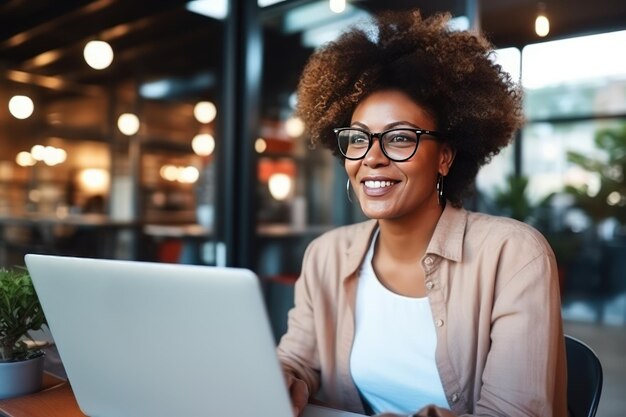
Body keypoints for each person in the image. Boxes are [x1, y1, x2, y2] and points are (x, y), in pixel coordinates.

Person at [276, 10, 567, 417]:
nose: (372, 158)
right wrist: (281, 379)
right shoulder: (325, 256)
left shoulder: (513, 255)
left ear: (445, 157)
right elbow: (296, 362)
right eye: (358, 139)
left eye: (399, 138)